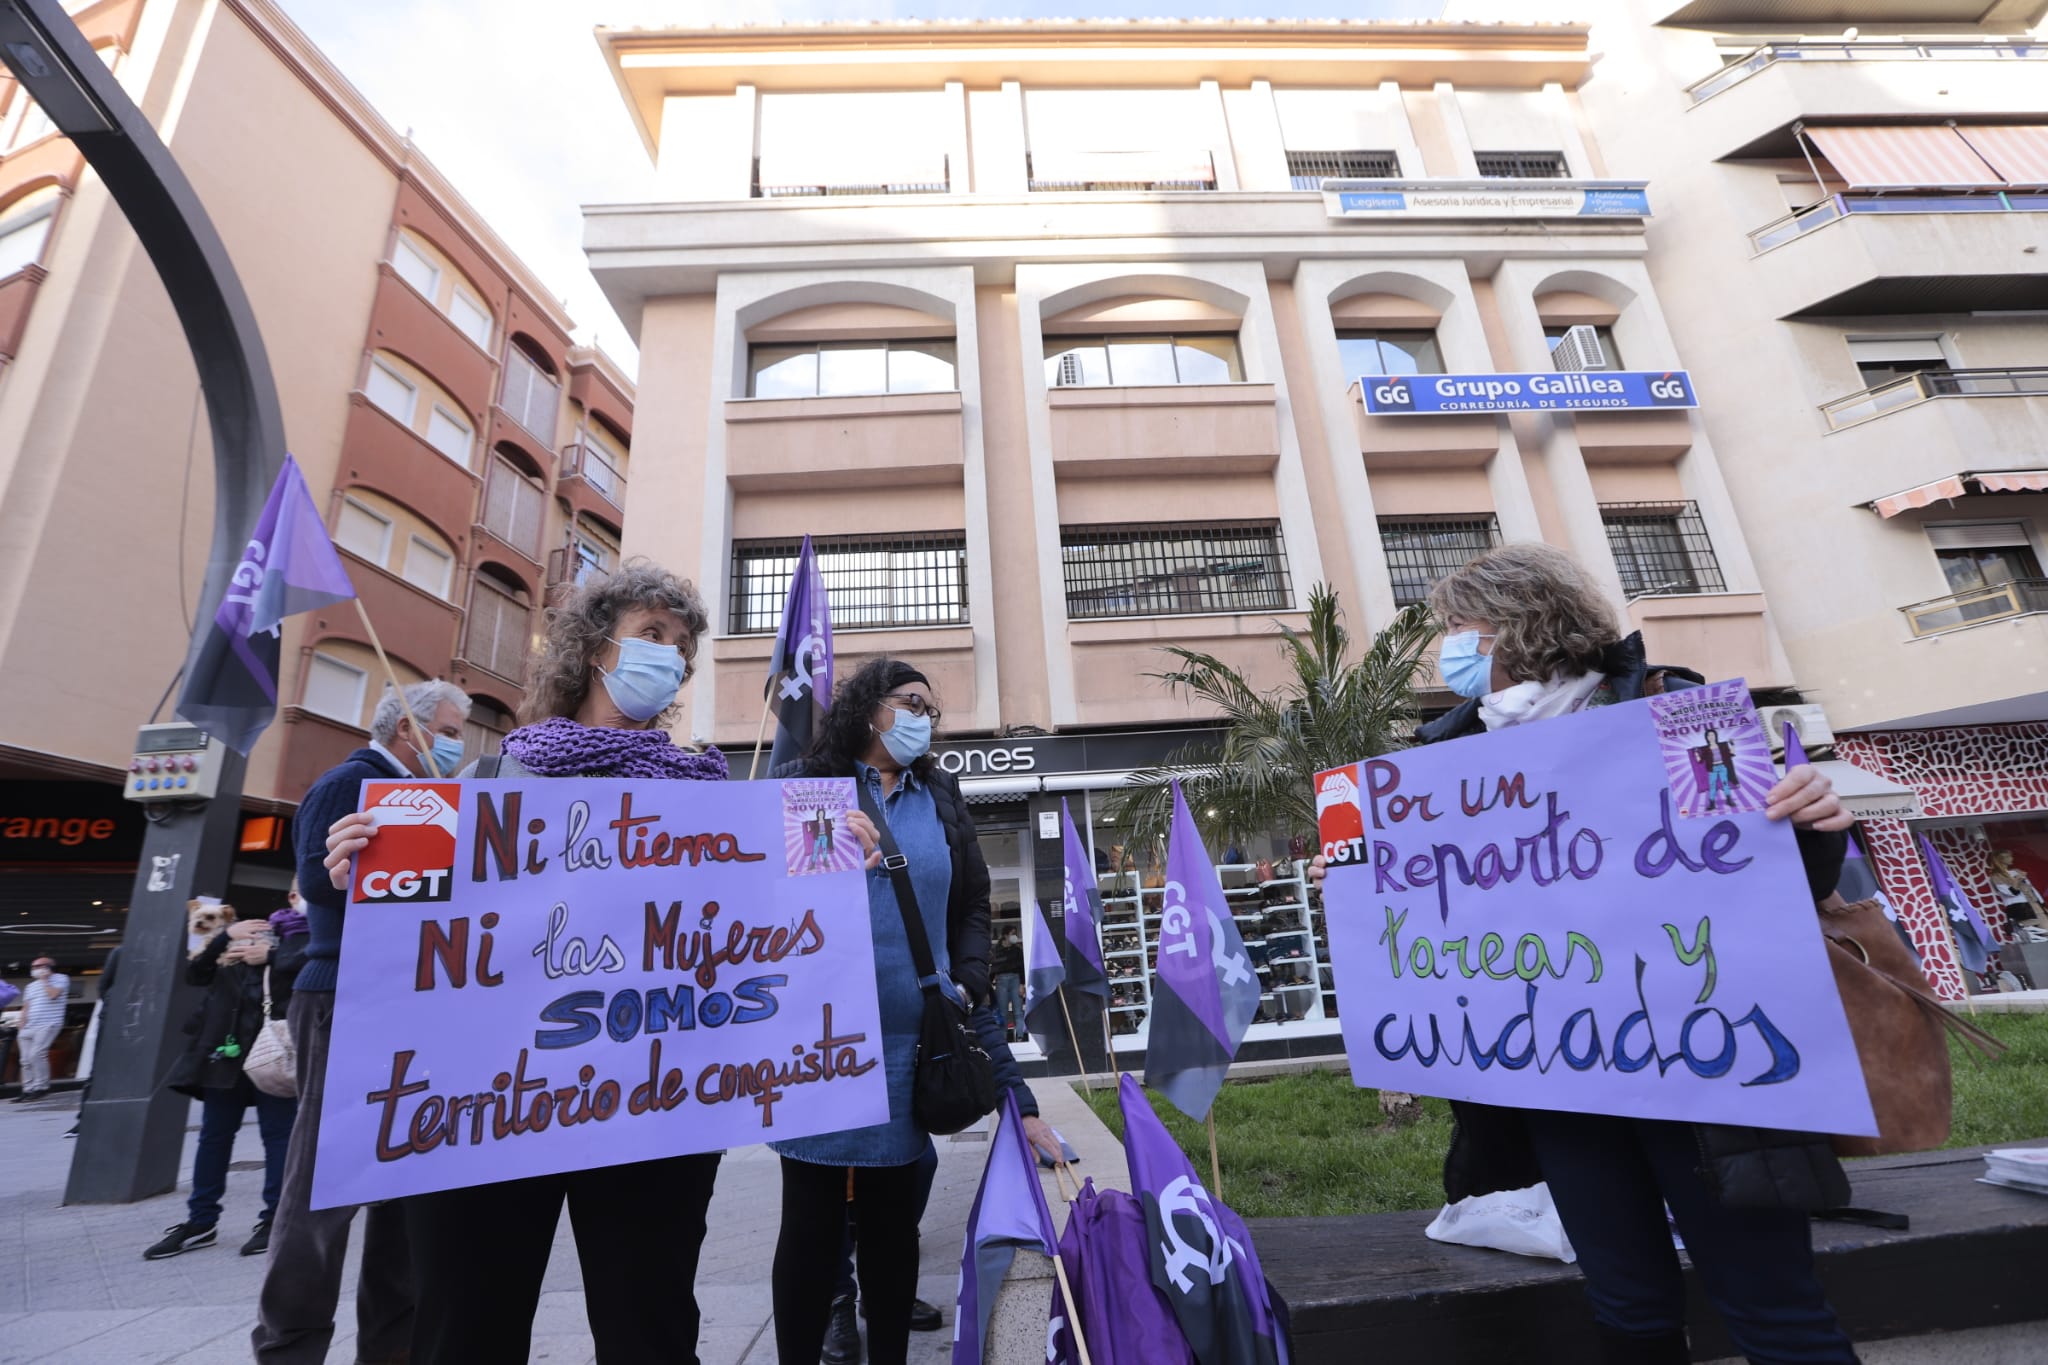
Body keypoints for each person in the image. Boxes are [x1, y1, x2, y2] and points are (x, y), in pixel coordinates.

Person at [1374, 543, 1857, 1364]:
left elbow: (1763, 877)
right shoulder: (1442, 757)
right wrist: (1358, 874)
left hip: (1705, 1070)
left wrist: (1808, 820)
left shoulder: (1673, 708)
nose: (1448, 648)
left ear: (1518, 622)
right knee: (1627, 1309)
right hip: (1564, 1082)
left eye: (1460, 626)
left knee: (1776, 1312)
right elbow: (1440, 912)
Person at [321, 563, 752, 1365]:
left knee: (650, 1328)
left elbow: (753, 929)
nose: (669, 655)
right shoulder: (486, 783)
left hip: (650, 1109)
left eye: (682, 646)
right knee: (466, 1327)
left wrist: (830, 852)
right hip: (489, 1107)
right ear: (594, 649)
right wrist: (366, 871)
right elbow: (421, 944)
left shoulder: (712, 799)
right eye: (653, 634)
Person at [770, 657, 994, 1365]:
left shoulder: (942, 796)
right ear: (871, 709)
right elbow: (776, 901)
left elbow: (974, 904)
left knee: (894, 1232)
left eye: (932, 706)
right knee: (809, 1228)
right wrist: (835, 854)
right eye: (911, 701)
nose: (925, 716)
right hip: (825, 1043)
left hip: (913, 1043)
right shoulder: (813, 788)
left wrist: (970, 978)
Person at [253, 678, 470, 1363]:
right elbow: (317, 879)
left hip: (408, 1000)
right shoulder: (352, 781)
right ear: (410, 729)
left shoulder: (432, 802)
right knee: (323, 1182)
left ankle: (392, 1346)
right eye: (452, 726)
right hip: (345, 995)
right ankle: (290, 1345)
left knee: (405, 1190)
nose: (460, 740)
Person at [822, 1006, 1064, 1365]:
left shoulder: (950, 956)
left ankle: (881, 1291)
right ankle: (837, 1298)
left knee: (921, 1163)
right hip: (826, 1069)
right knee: (830, 1180)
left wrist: (1020, 1108)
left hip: (894, 1072)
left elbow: (977, 1018)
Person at [146, 896, 307, 1260]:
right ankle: (201, 1221)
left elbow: (319, 963)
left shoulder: (290, 952)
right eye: (245, 936)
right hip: (223, 1060)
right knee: (213, 1137)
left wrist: (271, 958)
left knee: (278, 1137)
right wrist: (224, 936)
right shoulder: (223, 958)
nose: (249, 942)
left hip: (273, 1059)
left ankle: (274, 1219)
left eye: (259, 936)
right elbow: (195, 974)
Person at [13, 954, 67, 1102]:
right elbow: (26, 1006)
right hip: (28, 1026)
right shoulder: (30, 986)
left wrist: (45, 980)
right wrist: (21, 1023)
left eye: (38, 966)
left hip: (48, 1023)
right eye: (33, 967)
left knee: (37, 1054)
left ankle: (41, 1087)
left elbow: (53, 995)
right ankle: (27, 1089)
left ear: (48, 967)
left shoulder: (61, 979)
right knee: (25, 1060)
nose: (34, 969)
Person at [991, 927, 1025, 1039]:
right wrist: (989, 986)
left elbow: (1021, 968)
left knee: (1018, 1012)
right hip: (1001, 981)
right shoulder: (996, 950)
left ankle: (1020, 1038)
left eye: (1015, 933)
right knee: (1003, 1013)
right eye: (1012, 933)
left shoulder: (1017, 950)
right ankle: (1003, 1040)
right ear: (1005, 935)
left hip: (1015, 980)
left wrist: (1022, 984)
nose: (1014, 936)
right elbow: (993, 968)